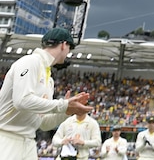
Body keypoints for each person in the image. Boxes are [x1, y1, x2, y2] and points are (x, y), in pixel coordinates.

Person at [0, 27, 92, 160]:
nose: (68, 53)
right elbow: (22, 101)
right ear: (63, 45)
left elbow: (43, 124)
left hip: (29, 141)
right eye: (69, 49)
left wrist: (66, 112)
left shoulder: (49, 80)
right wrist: (63, 105)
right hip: (6, 138)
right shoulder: (30, 62)